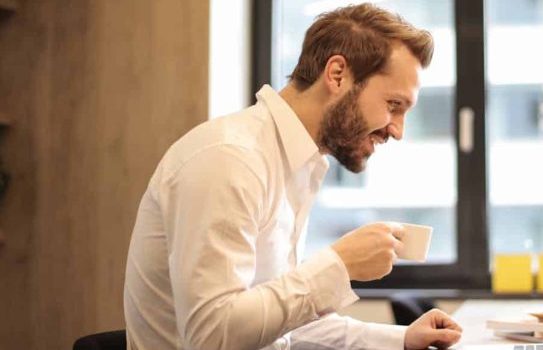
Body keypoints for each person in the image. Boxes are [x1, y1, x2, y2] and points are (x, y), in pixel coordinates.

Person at [123, 3, 463, 350]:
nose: (398, 130)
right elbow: (212, 335)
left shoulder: (297, 164)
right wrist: (338, 265)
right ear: (337, 75)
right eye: (393, 105)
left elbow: (279, 326)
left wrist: (402, 338)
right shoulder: (229, 159)